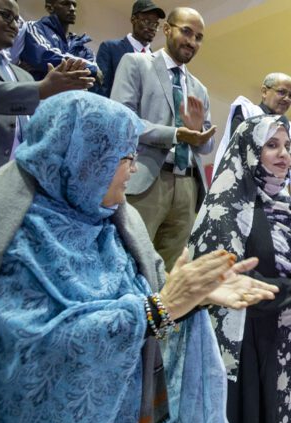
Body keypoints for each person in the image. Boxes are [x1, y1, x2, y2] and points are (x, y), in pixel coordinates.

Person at [0, 92, 278, 423]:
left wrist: (195, 296)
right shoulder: (19, 237)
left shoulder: (118, 222)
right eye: (124, 156)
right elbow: (33, 357)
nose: (134, 167)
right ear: (82, 158)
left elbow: (158, 301)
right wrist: (158, 309)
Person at [166, 114, 291, 423]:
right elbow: (234, 286)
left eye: (286, 146)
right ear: (248, 151)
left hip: (285, 344)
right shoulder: (226, 209)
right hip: (245, 353)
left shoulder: (287, 207)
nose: (283, 154)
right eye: (271, 145)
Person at [110, 7, 216, 270]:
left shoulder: (200, 88)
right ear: (167, 29)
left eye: (199, 37)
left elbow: (207, 144)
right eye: (186, 32)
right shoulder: (135, 63)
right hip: (146, 179)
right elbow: (123, 121)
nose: (192, 42)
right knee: (130, 263)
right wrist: (176, 134)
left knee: (171, 271)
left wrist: (198, 135)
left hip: (188, 186)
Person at [0, 0, 94, 172]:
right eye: (6, 15)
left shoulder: (23, 75)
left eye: (17, 20)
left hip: (16, 173)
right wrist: (43, 89)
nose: (14, 26)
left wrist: (58, 95)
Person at [211, 73, 291, 200]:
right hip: (244, 194)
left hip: (278, 200)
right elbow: (242, 153)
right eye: (281, 92)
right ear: (264, 91)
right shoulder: (247, 111)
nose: (287, 99)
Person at [93, 0, 166, 97]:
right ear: (133, 19)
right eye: (147, 21)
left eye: (155, 24)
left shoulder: (157, 59)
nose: (152, 28)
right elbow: (100, 91)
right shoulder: (110, 48)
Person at [18, 0, 100, 81]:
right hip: (39, 89)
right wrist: (90, 69)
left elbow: (94, 78)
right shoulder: (35, 27)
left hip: (71, 90)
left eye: (74, 5)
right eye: (65, 3)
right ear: (50, 8)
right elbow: (45, 56)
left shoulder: (83, 48)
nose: (72, 8)